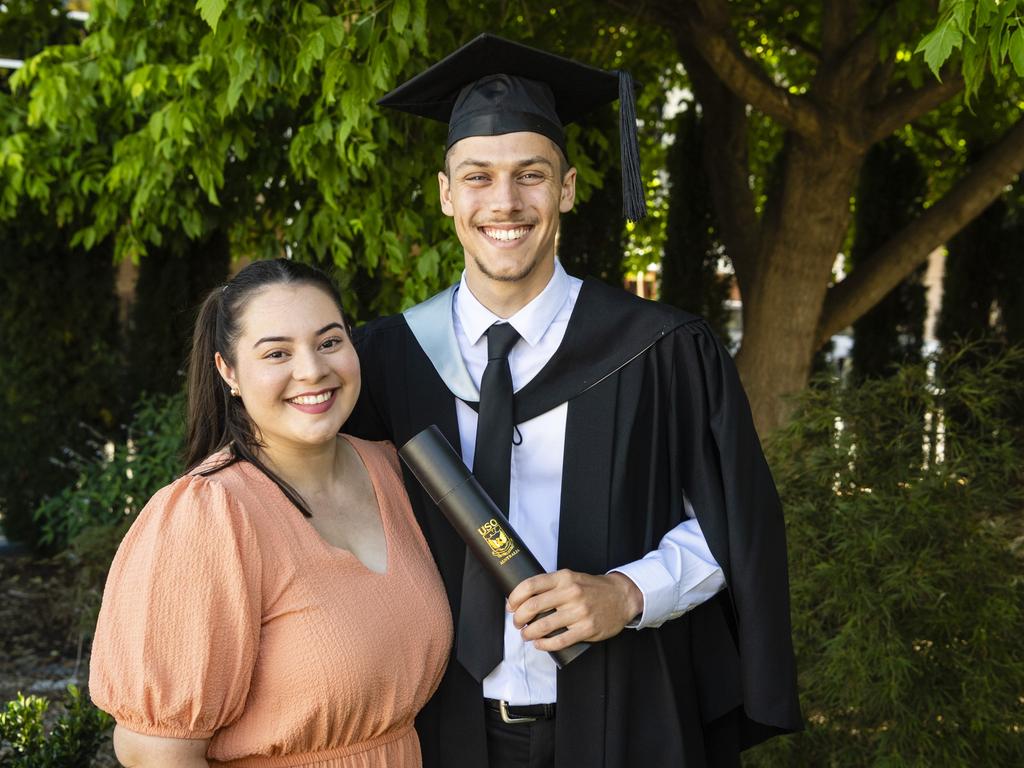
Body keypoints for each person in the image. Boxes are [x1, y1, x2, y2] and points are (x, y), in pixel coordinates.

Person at [344, 34, 801, 768]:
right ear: (444, 194)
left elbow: (736, 524)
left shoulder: (662, 351)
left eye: (531, 174)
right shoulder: (385, 359)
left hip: (627, 715)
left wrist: (627, 592)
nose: (505, 202)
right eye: (478, 176)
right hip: (433, 729)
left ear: (567, 187)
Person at [89, 259, 452, 768]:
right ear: (228, 371)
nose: (312, 370)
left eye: (329, 342)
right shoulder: (208, 515)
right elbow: (156, 753)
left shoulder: (393, 470)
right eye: (277, 352)